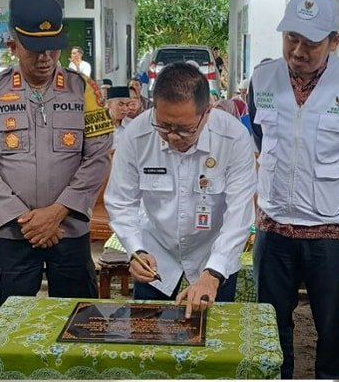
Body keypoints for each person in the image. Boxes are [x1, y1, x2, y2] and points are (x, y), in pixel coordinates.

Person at [249, 0, 339, 379]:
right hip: (274, 230)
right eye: (291, 38)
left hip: (334, 235)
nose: (298, 51)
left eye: (311, 43)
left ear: (335, 40)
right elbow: (263, 141)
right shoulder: (262, 78)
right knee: (271, 330)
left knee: (334, 330)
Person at [0, 0, 113, 314]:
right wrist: (26, 220)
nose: (46, 57)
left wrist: (56, 213)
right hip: (16, 234)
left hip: (69, 230)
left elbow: (98, 157)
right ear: (13, 46)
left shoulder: (85, 90)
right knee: (11, 324)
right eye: (34, 48)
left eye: (53, 46)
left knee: (79, 322)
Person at [106, 62, 256, 317]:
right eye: (164, 126)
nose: (173, 137)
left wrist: (214, 273)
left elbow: (239, 214)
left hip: (214, 256)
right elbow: (121, 201)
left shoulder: (234, 138)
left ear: (207, 112)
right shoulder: (136, 136)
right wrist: (136, 250)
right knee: (150, 341)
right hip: (156, 259)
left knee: (214, 342)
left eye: (185, 129)